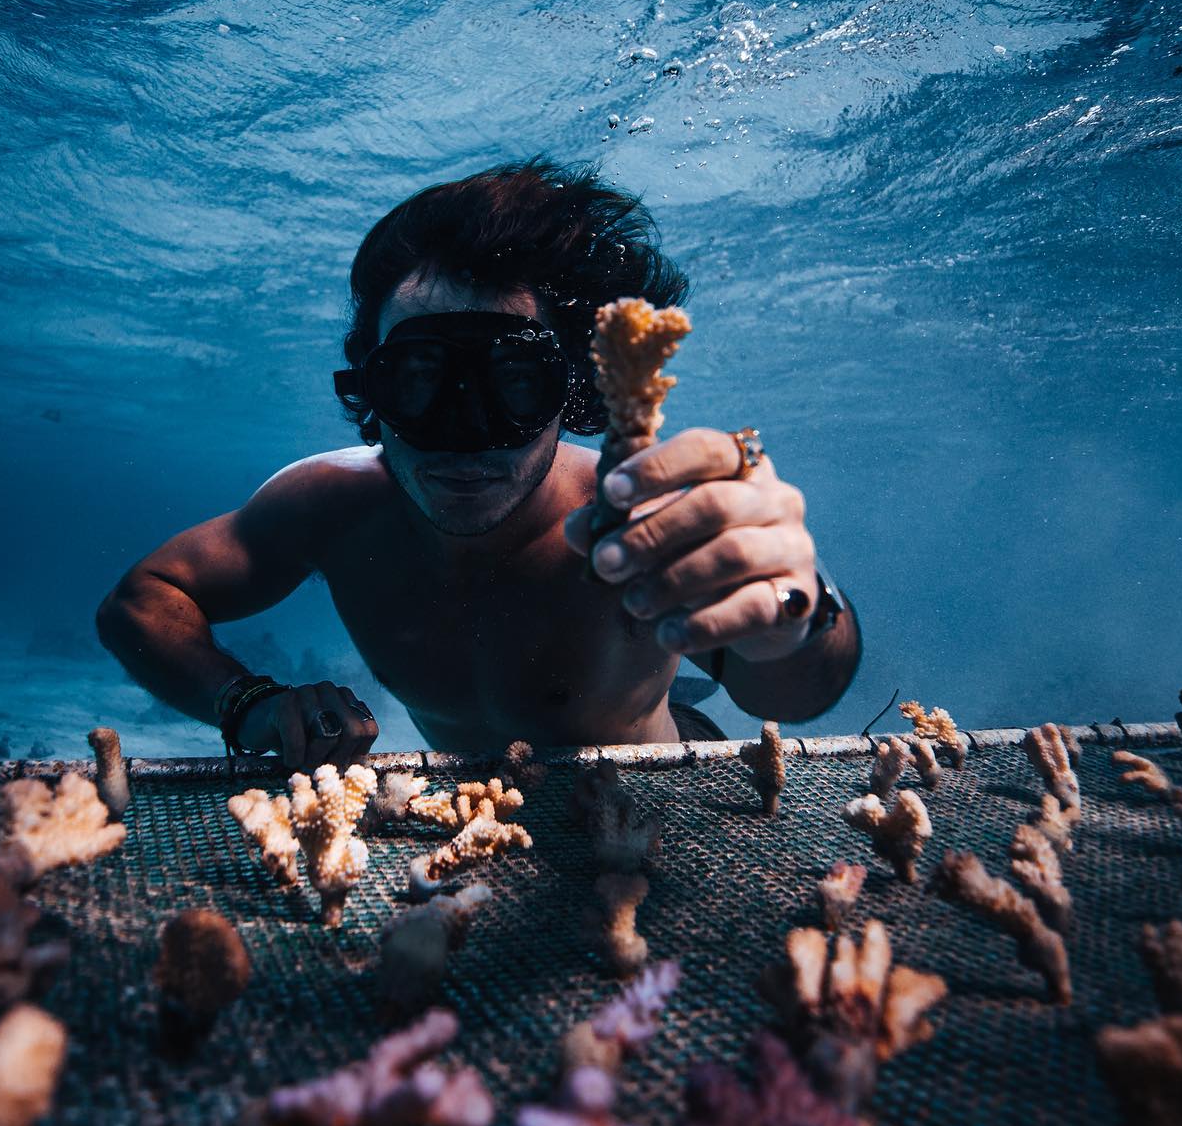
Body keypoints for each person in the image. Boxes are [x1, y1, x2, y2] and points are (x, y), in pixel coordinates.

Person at [96, 157, 861, 767]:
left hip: (648, 797)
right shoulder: (327, 507)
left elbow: (796, 692)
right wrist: (248, 703)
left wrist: (798, 614)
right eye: (419, 381)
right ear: (370, 390)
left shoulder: (632, 522)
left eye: (514, 384)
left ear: (575, 396)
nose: (464, 437)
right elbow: (141, 599)